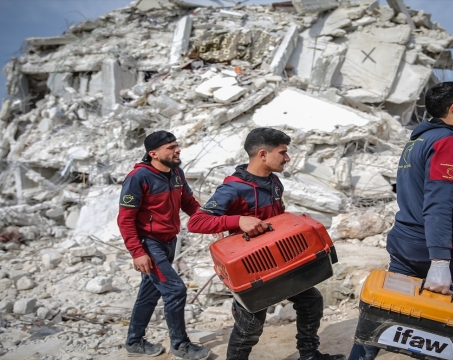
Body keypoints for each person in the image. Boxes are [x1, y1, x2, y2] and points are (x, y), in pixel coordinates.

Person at [348, 82, 453, 360]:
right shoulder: (449, 142)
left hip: (403, 239)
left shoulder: (417, 140)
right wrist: (439, 262)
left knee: (383, 311)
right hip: (430, 243)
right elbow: (438, 203)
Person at [187, 128, 345, 360]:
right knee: (250, 325)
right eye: (282, 153)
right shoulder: (232, 189)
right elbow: (197, 222)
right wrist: (238, 220)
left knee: (311, 301)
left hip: (280, 263)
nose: (287, 158)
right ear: (262, 154)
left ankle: (309, 354)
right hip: (250, 271)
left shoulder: (274, 182)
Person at [117, 130, 211, 360]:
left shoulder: (176, 172)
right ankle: (180, 346)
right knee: (175, 290)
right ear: (153, 153)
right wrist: (137, 252)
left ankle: (134, 342)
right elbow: (125, 219)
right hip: (149, 245)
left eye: (176, 145)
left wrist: (211, 223)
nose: (177, 150)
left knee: (149, 294)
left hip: (170, 241)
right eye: (170, 147)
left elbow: (188, 202)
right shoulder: (138, 178)